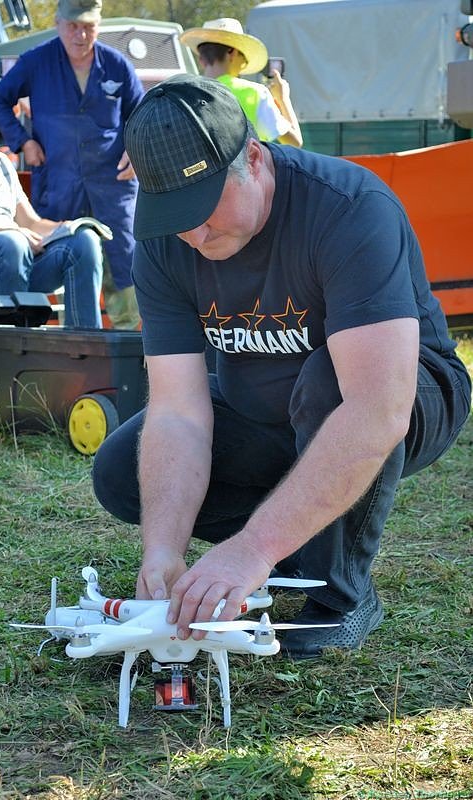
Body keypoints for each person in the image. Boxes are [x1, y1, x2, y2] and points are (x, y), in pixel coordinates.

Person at [92, 75, 471, 659]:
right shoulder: (165, 240)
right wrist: (163, 551)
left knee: (328, 385)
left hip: (405, 391)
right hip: (261, 402)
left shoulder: (348, 209)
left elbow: (378, 406)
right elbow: (178, 409)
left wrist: (252, 549)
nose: (193, 232)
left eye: (203, 206)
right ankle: (305, 542)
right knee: (121, 469)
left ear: (253, 157)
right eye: (174, 214)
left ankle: (339, 590)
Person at [0, 0, 144, 329]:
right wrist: (23, 141)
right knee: (63, 256)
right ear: (59, 24)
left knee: (123, 267)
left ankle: (131, 353)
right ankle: (73, 347)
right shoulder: (36, 61)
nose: (80, 33)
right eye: (73, 25)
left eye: (88, 26)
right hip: (59, 184)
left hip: (113, 187)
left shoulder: (117, 65)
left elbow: (141, 114)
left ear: (98, 25)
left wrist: (136, 149)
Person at [0, 80, 103, 328]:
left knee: (84, 242)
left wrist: (65, 228)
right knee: (11, 243)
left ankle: (84, 347)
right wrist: (6, 232)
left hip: (16, 255)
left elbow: (29, 222)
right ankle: (9, 349)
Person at [180, 18, 303, 148]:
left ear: (201, 59)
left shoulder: (184, 94)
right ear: (232, 52)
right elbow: (295, 143)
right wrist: (283, 99)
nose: (244, 65)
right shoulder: (254, 93)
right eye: (244, 58)